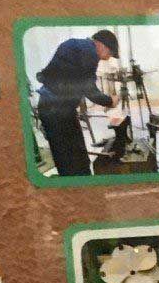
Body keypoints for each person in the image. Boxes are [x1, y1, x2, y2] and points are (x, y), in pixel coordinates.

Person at [33, 35, 119, 177]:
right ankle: (77, 191)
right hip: (56, 111)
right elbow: (89, 89)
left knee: (73, 154)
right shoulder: (89, 52)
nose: (107, 58)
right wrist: (110, 101)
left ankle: (79, 182)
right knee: (70, 160)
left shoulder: (75, 45)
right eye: (109, 54)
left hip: (56, 107)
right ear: (102, 45)